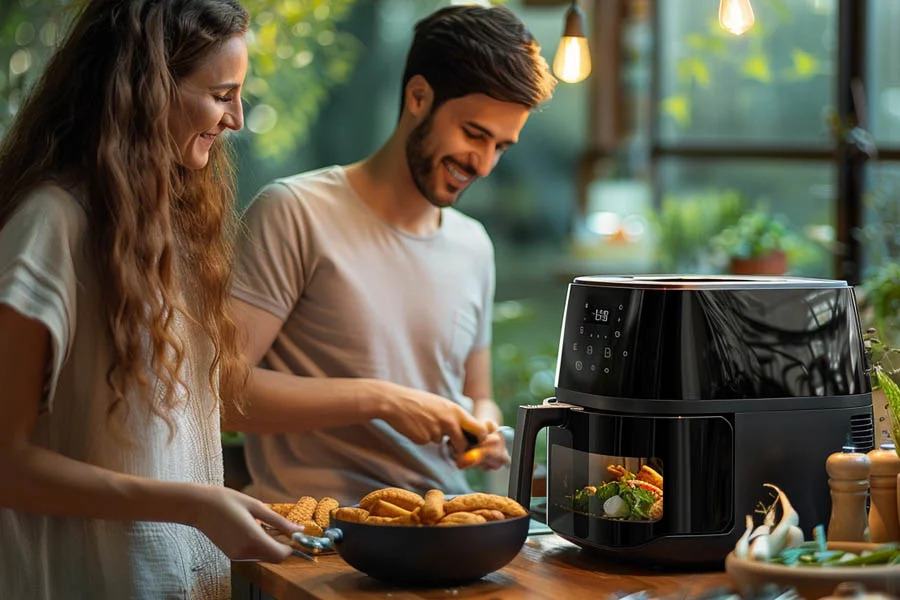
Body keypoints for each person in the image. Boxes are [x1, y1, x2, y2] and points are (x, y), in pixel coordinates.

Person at [0, 1, 299, 598]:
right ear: (145, 88)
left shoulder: (174, 230)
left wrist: (209, 503)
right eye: (221, 95)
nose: (236, 118)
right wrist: (194, 505)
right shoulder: (50, 226)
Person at [228, 4, 556, 505]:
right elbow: (223, 393)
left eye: (502, 147)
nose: (485, 164)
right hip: (318, 542)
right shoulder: (294, 212)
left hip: (444, 526)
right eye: (474, 134)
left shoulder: (473, 246)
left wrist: (483, 426)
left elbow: (478, 393)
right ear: (418, 97)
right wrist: (380, 400)